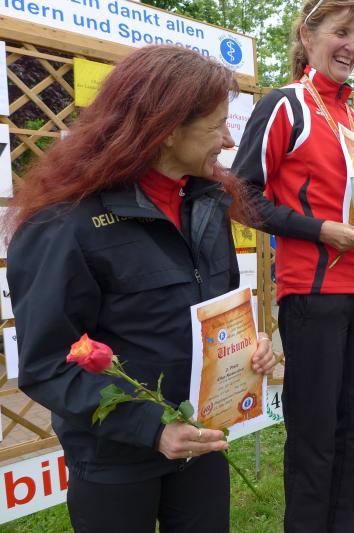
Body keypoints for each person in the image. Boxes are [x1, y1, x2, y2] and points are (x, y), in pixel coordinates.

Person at [5, 45, 276, 533]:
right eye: (217, 125)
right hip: (114, 461)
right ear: (167, 129)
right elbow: (47, 365)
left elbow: (218, 308)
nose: (229, 139)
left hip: (201, 443)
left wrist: (246, 347)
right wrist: (152, 428)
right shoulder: (66, 223)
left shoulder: (209, 204)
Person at [231, 1, 354, 530]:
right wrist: (319, 230)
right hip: (315, 292)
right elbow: (241, 198)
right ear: (307, 34)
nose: (352, 46)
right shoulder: (285, 105)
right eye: (342, 32)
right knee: (315, 435)